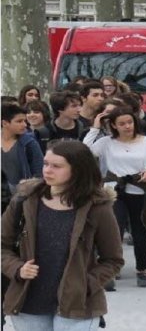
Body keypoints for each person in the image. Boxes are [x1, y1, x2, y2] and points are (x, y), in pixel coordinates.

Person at [1, 140, 123, 331]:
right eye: (45, 164)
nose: (47, 170)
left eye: (56, 166)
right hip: (28, 302)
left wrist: (86, 284)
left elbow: (113, 260)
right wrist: (17, 268)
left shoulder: (98, 207)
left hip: (77, 305)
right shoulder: (25, 199)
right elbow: (2, 245)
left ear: (78, 169)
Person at [83, 107, 146, 288]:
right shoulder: (106, 142)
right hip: (114, 191)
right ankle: (109, 272)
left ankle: (141, 270)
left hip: (140, 190)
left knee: (140, 231)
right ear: (113, 125)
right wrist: (95, 128)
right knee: (112, 232)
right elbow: (84, 151)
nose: (127, 126)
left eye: (130, 122)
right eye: (122, 124)